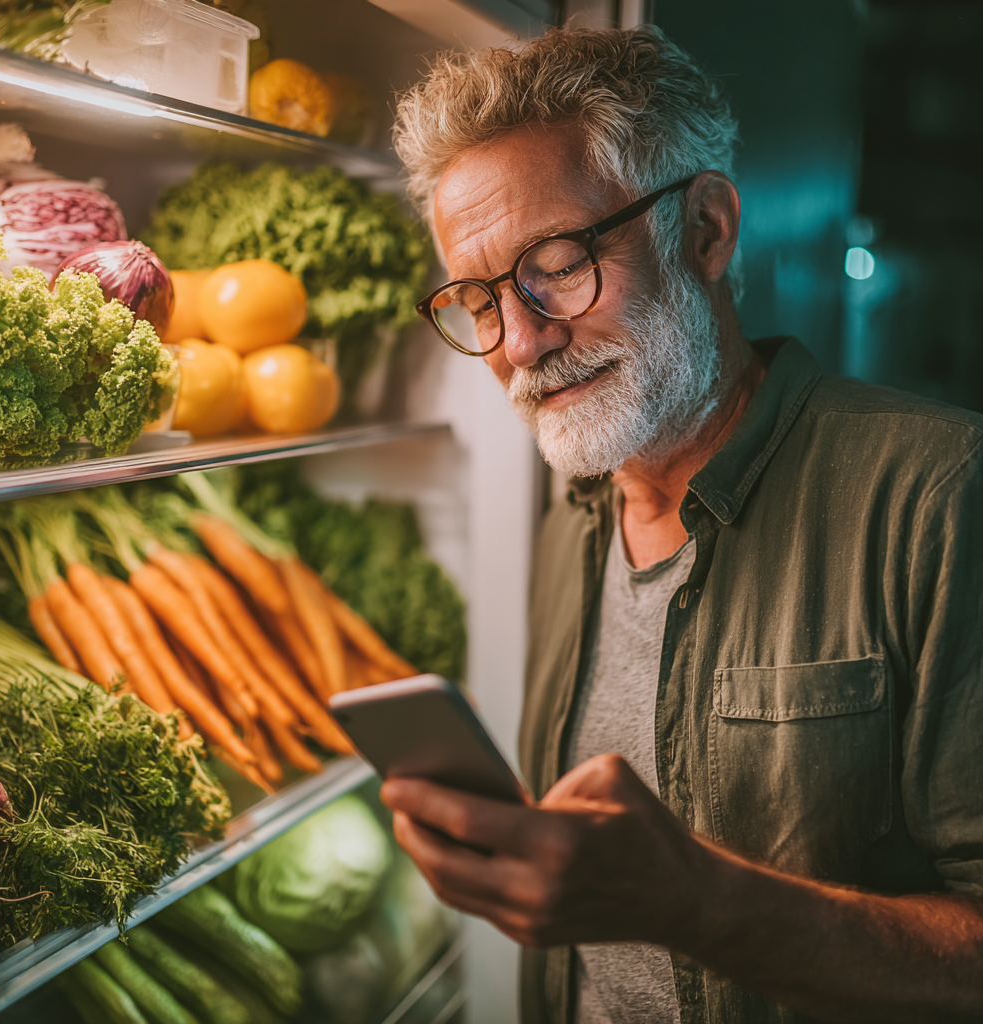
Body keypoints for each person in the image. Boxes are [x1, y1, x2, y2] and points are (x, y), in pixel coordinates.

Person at [379, 26, 983, 1024]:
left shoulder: (938, 492)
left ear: (704, 229)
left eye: (559, 263)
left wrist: (697, 902)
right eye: (479, 299)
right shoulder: (567, 523)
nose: (520, 341)